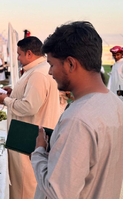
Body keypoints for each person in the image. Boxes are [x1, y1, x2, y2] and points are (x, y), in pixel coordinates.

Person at [31, 21, 123, 199]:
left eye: (52, 64)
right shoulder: (116, 105)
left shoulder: (78, 119)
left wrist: (39, 152)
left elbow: (57, 192)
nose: (50, 72)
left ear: (71, 64)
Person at [0, 36, 60, 199]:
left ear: (30, 53)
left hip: (29, 136)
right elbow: (31, 97)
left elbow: (29, 107)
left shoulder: (39, 73)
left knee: (25, 185)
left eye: (19, 54)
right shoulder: (37, 69)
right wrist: (14, 92)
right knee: (25, 183)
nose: (17, 58)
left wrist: (6, 100)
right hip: (31, 135)